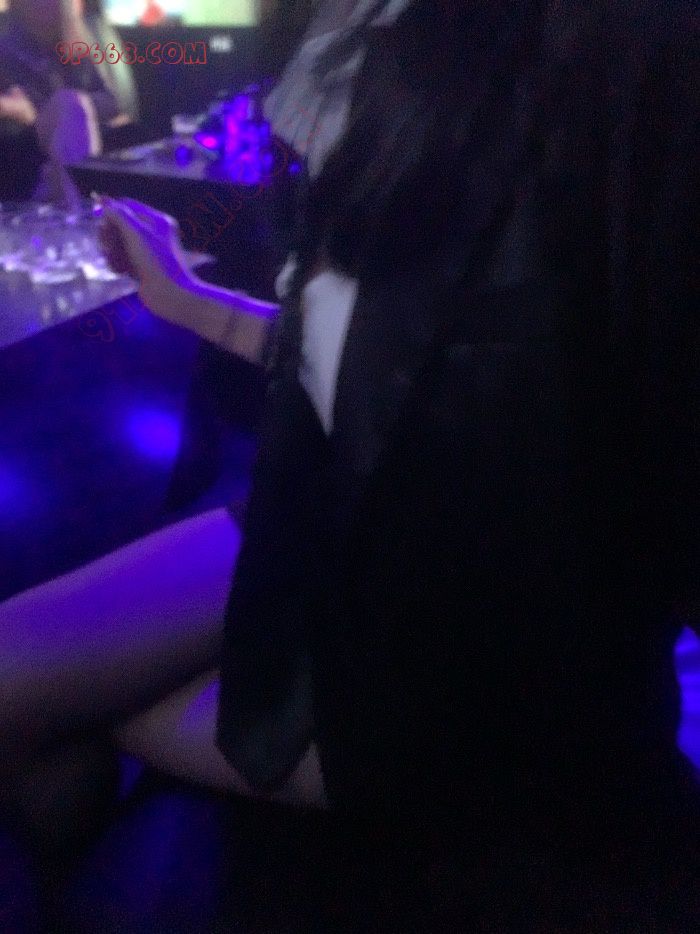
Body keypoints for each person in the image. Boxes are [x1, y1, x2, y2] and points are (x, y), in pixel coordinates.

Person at [1, 1, 698, 926]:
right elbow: (373, 365)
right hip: (322, 518)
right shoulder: (348, 37)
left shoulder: (605, 64)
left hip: (470, 638)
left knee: (64, 709)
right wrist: (190, 299)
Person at [0, 0, 126, 203]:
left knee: (71, 105)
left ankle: (73, 199)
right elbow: (15, 106)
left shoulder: (73, 45)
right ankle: (80, 206)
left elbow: (111, 102)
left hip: (70, 143)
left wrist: (77, 107)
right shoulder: (7, 46)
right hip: (26, 148)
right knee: (69, 105)